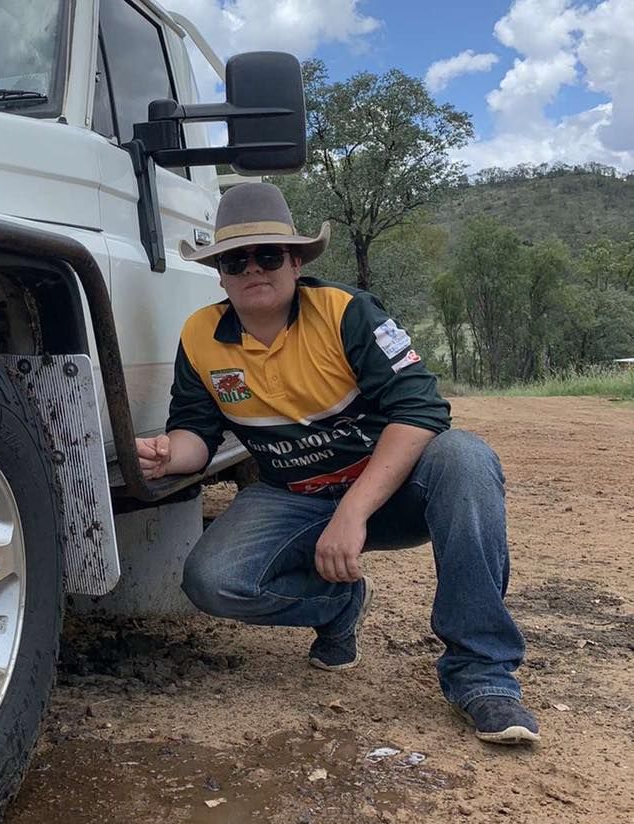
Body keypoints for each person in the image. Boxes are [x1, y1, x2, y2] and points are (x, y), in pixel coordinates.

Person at [136, 181, 539, 745]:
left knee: (466, 457)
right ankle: (337, 603)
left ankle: (483, 675)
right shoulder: (200, 335)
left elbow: (422, 410)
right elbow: (196, 435)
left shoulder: (347, 313)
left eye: (269, 255)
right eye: (235, 259)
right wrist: (165, 453)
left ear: (296, 262)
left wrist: (351, 512)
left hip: (388, 496)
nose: (253, 268)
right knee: (213, 581)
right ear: (219, 272)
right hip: (292, 497)